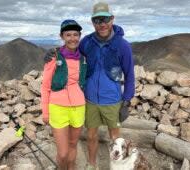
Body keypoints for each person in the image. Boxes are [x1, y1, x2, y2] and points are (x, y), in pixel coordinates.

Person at [44, 2, 135, 170]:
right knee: (91, 135)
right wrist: (54, 52)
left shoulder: (123, 46)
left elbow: (130, 75)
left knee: (115, 139)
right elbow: (71, 49)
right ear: (93, 22)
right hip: (90, 100)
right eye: (97, 20)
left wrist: (127, 101)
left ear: (112, 19)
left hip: (113, 100)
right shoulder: (87, 42)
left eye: (105, 19)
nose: (102, 24)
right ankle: (91, 165)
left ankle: (116, 166)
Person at [40, 19, 87, 170]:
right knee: (63, 152)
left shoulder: (84, 58)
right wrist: (45, 112)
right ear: (62, 37)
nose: (72, 38)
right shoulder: (54, 57)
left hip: (79, 107)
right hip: (58, 107)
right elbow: (46, 86)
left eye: (75, 34)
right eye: (68, 35)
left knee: (73, 145)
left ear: (79, 36)